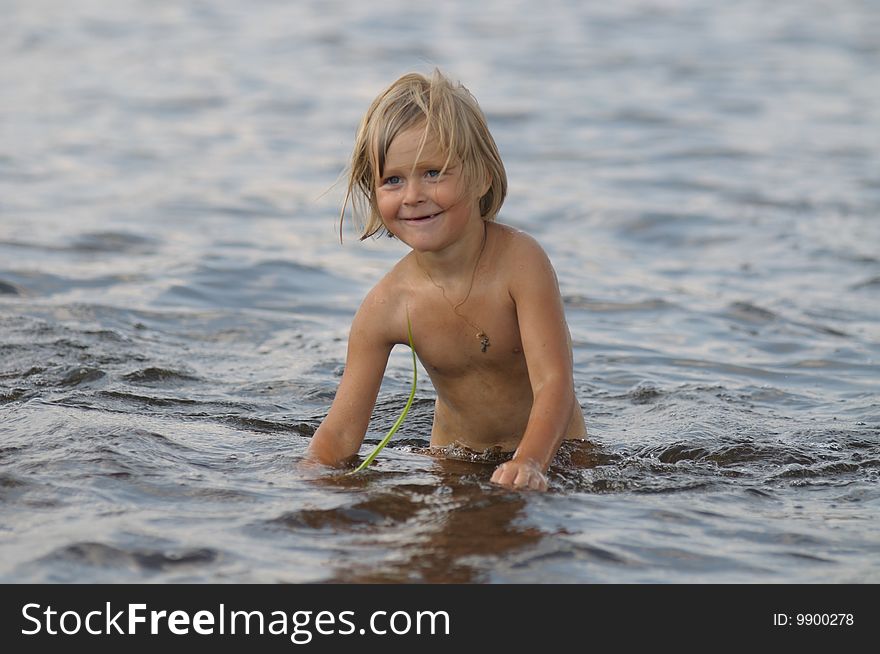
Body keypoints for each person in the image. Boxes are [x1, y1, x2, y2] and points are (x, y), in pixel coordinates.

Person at [305, 69, 586, 490]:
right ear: (373, 191)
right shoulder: (387, 306)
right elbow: (341, 433)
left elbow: (554, 382)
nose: (413, 195)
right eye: (393, 180)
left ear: (482, 176)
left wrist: (530, 462)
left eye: (433, 173)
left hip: (556, 454)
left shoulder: (521, 263)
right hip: (454, 463)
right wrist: (304, 481)